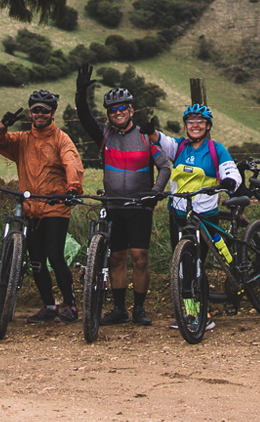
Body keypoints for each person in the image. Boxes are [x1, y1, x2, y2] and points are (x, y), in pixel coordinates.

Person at [74, 64, 169, 327]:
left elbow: (165, 166)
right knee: (116, 257)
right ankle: (118, 309)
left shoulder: (145, 136)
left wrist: (155, 193)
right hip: (114, 206)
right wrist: (80, 94)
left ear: (131, 110)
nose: (117, 114)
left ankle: (138, 308)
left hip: (140, 207)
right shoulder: (105, 135)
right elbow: (84, 118)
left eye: (122, 109)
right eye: (112, 111)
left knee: (140, 258)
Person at [0, 89, 85, 322]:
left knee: (55, 255)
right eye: (35, 110)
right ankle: (49, 306)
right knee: (36, 260)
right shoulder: (22, 140)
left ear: (52, 114)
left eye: (45, 110)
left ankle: (70, 305)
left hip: (55, 207)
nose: (40, 114)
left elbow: (72, 161)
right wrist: (2, 125)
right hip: (31, 209)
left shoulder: (61, 139)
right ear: (30, 113)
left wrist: (72, 188)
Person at [155, 103, 242, 332]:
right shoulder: (179, 147)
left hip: (205, 215)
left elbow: (230, 170)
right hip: (179, 214)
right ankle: (190, 312)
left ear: (208, 126)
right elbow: (162, 140)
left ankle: (202, 312)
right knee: (182, 264)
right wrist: (150, 131)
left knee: (197, 265)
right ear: (185, 125)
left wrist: (230, 181)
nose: (195, 126)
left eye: (200, 122)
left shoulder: (216, 149)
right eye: (191, 122)